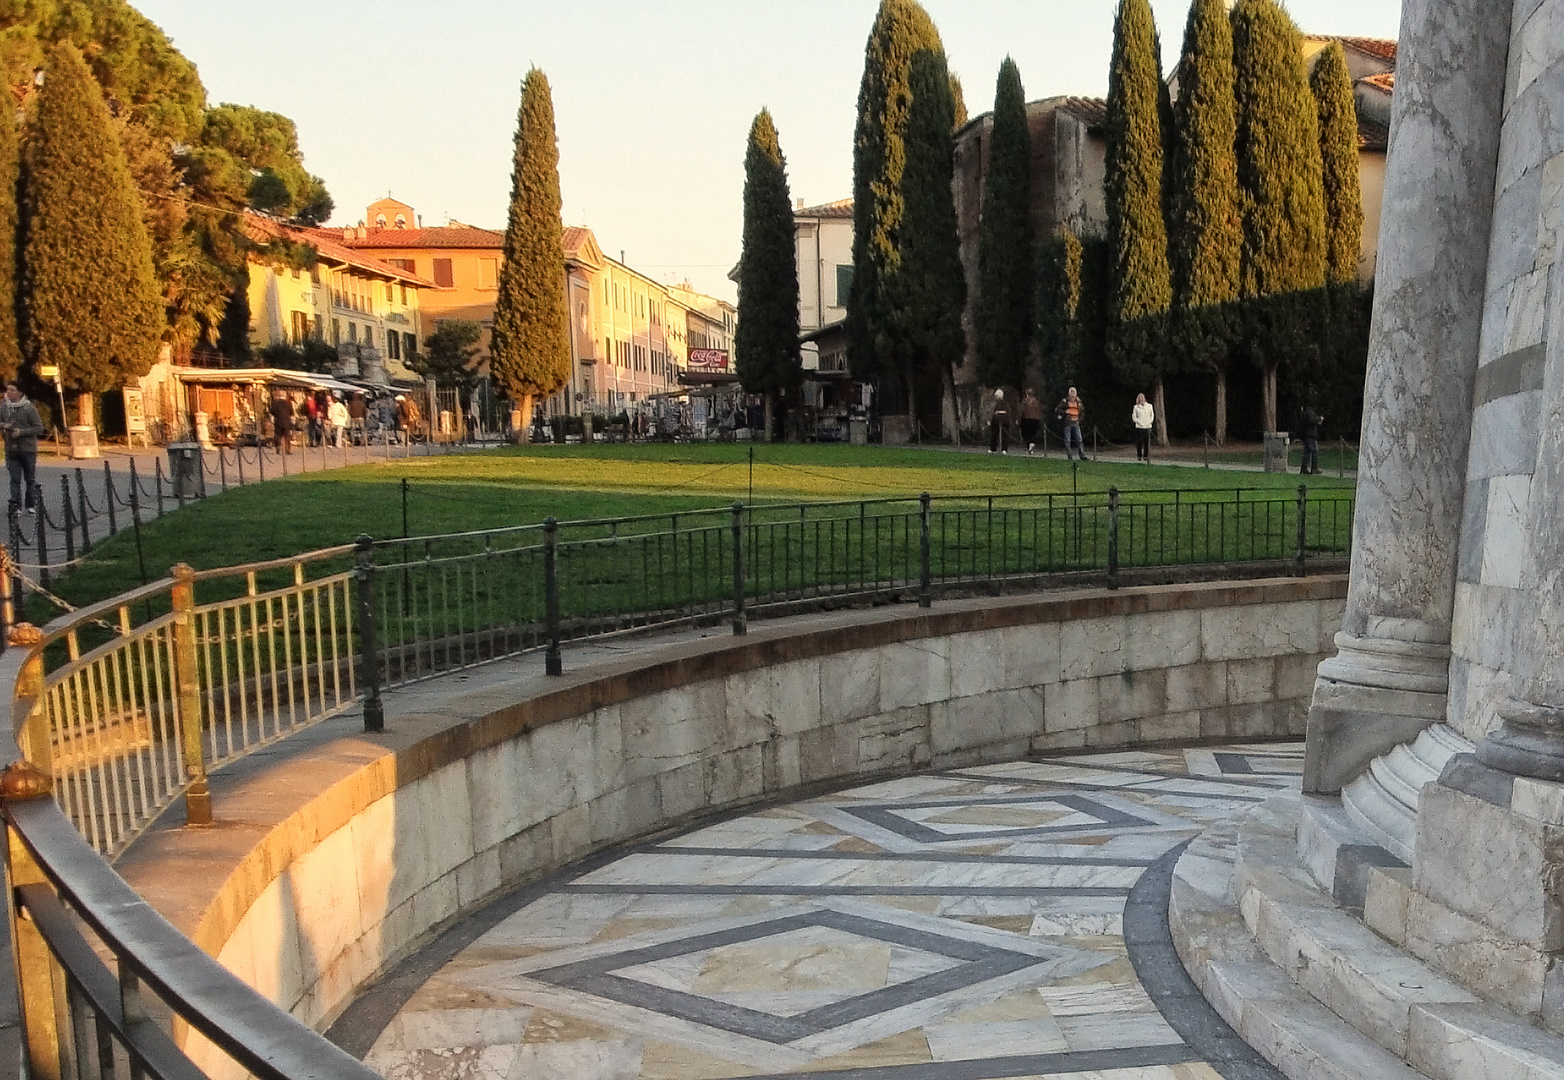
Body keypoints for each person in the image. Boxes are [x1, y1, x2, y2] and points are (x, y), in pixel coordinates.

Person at [0, 382, 45, 515]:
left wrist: (21, 432)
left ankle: (30, 504)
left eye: (12, 390)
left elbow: (39, 427)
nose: (9, 393)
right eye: (7, 390)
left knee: (30, 478)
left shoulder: (29, 409)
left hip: (27, 449)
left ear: (20, 392)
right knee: (14, 479)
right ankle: (16, 505)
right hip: (11, 449)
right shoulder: (4, 407)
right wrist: (5, 425)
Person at [1055, 387, 1086, 460]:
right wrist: (1065, 412)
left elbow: (1082, 412)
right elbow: (1058, 409)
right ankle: (1069, 455)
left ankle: (1082, 455)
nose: (1072, 397)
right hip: (1067, 423)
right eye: (1071, 395)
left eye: (1074, 395)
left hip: (1076, 422)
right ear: (1069, 394)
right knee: (1067, 440)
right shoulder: (1065, 401)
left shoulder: (1079, 402)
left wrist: (1079, 420)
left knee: (1079, 439)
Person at [1300, 405, 1323, 475]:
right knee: (1314, 452)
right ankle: (1314, 468)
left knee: (1307, 453)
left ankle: (1303, 468)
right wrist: (1319, 419)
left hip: (1307, 435)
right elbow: (1311, 421)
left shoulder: (1305, 412)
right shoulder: (1310, 412)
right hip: (1311, 435)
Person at [1132, 393, 1155, 462]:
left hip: (1147, 427)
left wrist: (1149, 422)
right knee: (1139, 442)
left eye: (1142, 398)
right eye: (1140, 398)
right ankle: (1139, 456)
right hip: (1139, 427)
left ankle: (1146, 455)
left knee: (1146, 443)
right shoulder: (1136, 407)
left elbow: (1152, 415)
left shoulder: (1149, 406)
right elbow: (1134, 417)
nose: (1141, 399)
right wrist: (1138, 422)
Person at [1020, 388, 1043, 454]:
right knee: (1033, 433)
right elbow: (1039, 410)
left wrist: (1018, 418)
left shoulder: (1025, 401)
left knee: (1026, 433)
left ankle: (1029, 446)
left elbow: (1021, 409)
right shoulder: (1036, 401)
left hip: (1026, 419)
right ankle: (1032, 445)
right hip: (1036, 419)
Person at [989, 389, 1009, 454]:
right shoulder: (1006, 403)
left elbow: (994, 412)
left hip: (997, 420)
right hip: (1005, 420)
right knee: (1004, 435)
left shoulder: (997, 404)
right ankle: (1004, 449)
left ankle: (993, 448)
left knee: (995, 434)